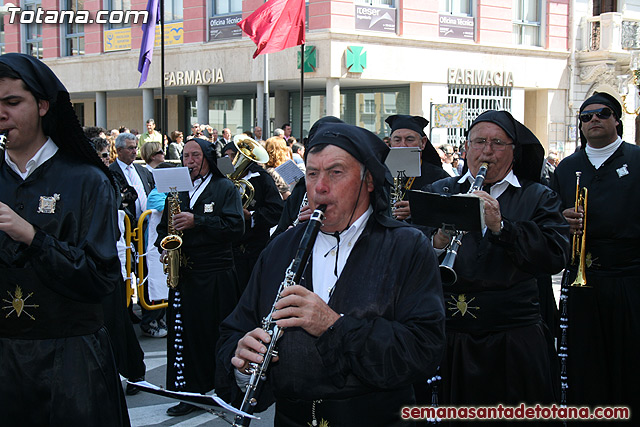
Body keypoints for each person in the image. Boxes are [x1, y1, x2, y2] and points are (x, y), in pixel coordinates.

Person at [216, 117, 445, 426]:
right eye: (312, 173)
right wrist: (241, 361)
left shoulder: (406, 246)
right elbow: (234, 329)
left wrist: (332, 326)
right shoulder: (281, 248)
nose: (319, 187)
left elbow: (424, 351)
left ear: (369, 180)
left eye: (336, 172)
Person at [0, 53, 129, 425]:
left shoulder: (88, 180)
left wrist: (30, 236)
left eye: (12, 102)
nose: (2, 114)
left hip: (71, 364)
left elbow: (101, 278)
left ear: (42, 105)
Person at [424, 110, 569, 409]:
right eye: (479, 142)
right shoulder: (440, 192)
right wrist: (437, 243)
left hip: (513, 341)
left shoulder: (538, 196)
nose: (487, 151)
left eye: (498, 143)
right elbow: (410, 261)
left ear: (514, 152)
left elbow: (556, 255)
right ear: (466, 148)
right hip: (453, 340)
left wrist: (503, 227)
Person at [552, 92, 640, 419]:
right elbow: (549, 219)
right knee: (584, 359)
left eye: (602, 114)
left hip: (628, 277)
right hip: (581, 279)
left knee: (628, 357)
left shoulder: (637, 159)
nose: (594, 121)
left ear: (617, 119)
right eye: (586, 117)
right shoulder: (568, 168)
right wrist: (563, 218)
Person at [156, 138, 244, 416]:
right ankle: (189, 393)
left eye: (195, 155)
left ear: (207, 157)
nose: (189, 161)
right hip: (185, 274)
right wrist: (163, 245)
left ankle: (225, 391)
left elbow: (235, 227)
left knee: (218, 336)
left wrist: (198, 221)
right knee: (185, 337)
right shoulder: (176, 191)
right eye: (185, 156)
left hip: (216, 274)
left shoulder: (225, 187)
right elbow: (163, 228)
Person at [109, 133, 166, 338]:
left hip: (147, 230)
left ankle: (151, 315)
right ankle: (127, 313)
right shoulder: (111, 172)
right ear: (119, 150)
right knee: (127, 273)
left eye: (135, 147)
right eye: (130, 148)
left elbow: (151, 193)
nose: (134, 151)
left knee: (147, 273)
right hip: (126, 230)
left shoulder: (142, 170)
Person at [223, 142, 284, 294]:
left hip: (253, 247)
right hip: (227, 248)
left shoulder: (261, 178)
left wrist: (251, 216)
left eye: (234, 156)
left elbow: (276, 209)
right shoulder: (222, 179)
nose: (231, 161)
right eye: (227, 157)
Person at [385, 114, 449, 221]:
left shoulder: (439, 176)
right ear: (391, 143)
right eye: (397, 140)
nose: (403, 145)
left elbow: (449, 209)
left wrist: (420, 209)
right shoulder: (379, 172)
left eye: (409, 140)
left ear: (423, 143)